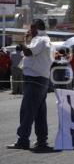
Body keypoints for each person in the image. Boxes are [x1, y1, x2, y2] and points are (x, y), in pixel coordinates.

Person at [7, 19, 54, 150]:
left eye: (32, 28)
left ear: (38, 28)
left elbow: (28, 52)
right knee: (39, 112)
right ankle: (41, 141)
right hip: (40, 79)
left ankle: (23, 140)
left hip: (34, 79)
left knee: (27, 110)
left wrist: (22, 41)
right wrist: (27, 42)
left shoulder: (40, 39)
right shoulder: (45, 39)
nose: (30, 31)